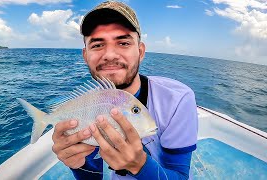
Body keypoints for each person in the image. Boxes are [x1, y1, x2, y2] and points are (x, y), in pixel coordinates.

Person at [52, 1, 198, 179]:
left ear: (141, 51)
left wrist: (140, 165)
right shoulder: (88, 105)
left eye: (123, 43)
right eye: (97, 45)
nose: (110, 55)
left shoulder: (177, 99)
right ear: (85, 56)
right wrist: (78, 165)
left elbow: (181, 175)